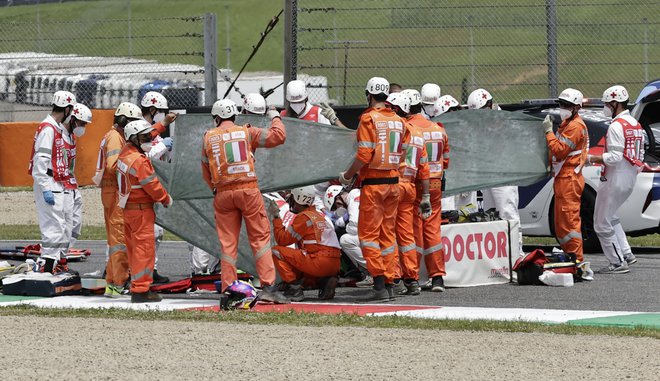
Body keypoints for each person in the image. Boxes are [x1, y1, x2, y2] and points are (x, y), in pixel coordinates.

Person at [201, 99, 289, 303]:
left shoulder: (208, 137)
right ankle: (267, 287)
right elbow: (279, 137)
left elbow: (205, 170)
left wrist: (215, 189)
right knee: (260, 239)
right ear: (234, 116)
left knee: (228, 244)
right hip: (248, 190)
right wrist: (275, 116)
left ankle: (230, 288)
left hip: (222, 193)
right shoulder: (248, 132)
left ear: (216, 118)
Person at [339, 76, 411, 302]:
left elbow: (364, 155)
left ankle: (379, 282)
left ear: (368, 94)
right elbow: (404, 150)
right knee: (387, 235)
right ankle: (389, 282)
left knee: (368, 236)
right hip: (394, 183)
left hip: (374, 185)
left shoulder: (369, 119)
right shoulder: (399, 121)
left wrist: (347, 175)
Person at [116, 119, 173, 303]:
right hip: (141, 211)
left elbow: (141, 134)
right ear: (134, 139)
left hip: (128, 210)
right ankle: (141, 290)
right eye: (145, 137)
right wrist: (166, 199)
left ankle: (137, 284)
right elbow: (152, 185)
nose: (149, 139)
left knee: (134, 251)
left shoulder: (125, 154)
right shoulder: (139, 161)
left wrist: (161, 124)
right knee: (144, 250)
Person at [588, 85, 643, 274]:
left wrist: (591, 158)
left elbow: (615, 157)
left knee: (601, 222)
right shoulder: (635, 123)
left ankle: (617, 262)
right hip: (629, 177)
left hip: (615, 177)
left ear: (614, 103)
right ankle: (626, 254)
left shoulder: (616, 126)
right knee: (611, 216)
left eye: (606, 104)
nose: (604, 107)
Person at [93, 102, 143, 297]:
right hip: (114, 192)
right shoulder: (115, 138)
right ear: (124, 121)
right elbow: (114, 166)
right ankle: (118, 282)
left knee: (117, 241)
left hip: (112, 192)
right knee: (120, 240)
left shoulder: (115, 136)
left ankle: (113, 282)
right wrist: (134, 161)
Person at [467, 88, 523, 255]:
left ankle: (516, 252)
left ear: (489, 106)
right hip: (488, 174)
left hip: (504, 174)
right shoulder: (483, 122)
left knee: (507, 212)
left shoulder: (504, 120)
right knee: (492, 216)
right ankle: (500, 255)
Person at [28, 91, 77, 274]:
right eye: (71, 110)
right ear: (66, 109)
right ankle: (47, 267)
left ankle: (51, 265)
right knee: (53, 227)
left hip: (54, 181)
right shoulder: (48, 129)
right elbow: (41, 160)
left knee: (59, 226)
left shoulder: (53, 127)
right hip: (48, 181)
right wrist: (45, 187)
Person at [388, 91, 432, 295]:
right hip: (411, 188)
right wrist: (425, 196)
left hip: (393, 185)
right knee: (407, 237)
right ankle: (412, 280)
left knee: (388, 234)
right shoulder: (417, 133)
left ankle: (394, 278)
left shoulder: (396, 129)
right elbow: (424, 168)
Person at [407, 88, 449, 292]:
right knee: (433, 229)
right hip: (435, 184)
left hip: (417, 183)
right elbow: (446, 158)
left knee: (414, 230)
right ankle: (438, 277)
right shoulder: (439, 129)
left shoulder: (409, 128)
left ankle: (412, 277)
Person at [268, 186, 342, 302]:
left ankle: (294, 289)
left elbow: (282, 240)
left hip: (318, 261)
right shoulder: (320, 215)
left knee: (276, 251)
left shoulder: (304, 217)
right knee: (300, 258)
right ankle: (325, 280)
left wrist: (276, 217)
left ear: (298, 198)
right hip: (335, 263)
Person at [542, 88, 588, 262]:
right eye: (561, 104)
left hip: (569, 180)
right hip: (564, 178)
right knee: (562, 224)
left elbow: (560, 150)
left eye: (566, 105)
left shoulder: (575, 126)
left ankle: (577, 260)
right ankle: (570, 257)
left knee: (569, 223)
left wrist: (548, 133)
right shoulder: (568, 124)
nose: (562, 108)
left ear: (576, 108)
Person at [140, 91, 178, 284]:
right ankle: (143, 270)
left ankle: (151, 268)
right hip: (144, 189)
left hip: (157, 186)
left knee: (157, 233)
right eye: (162, 111)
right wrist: (163, 145)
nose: (165, 115)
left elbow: (162, 157)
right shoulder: (140, 129)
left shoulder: (155, 131)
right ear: (153, 110)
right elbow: (143, 158)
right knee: (149, 232)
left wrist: (169, 151)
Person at [63, 103, 93, 250]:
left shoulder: (72, 137)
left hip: (72, 183)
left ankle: (66, 250)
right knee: (66, 222)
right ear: (73, 119)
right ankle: (60, 253)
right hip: (63, 186)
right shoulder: (59, 135)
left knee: (76, 223)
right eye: (82, 123)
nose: (84, 127)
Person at [281, 79, 348, 128]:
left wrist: (334, 119)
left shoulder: (318, 113)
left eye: (300, 102)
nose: (297, 105)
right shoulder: (283, 115)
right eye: (294, 102)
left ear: (306, 98)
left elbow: (327, 137)